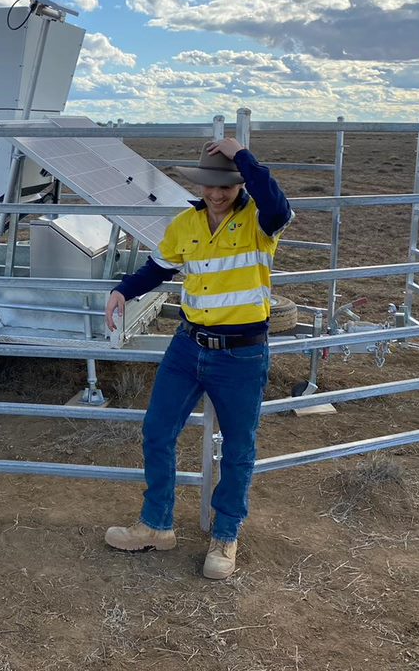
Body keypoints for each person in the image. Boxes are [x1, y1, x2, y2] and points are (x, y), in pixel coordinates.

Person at [103, 137, 292, 579]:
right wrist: (122, 290)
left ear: (240, 183)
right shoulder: (185, 224)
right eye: (210, 185)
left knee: (239, 448)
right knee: (157, 430)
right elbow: (159, 267)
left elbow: (277, 204)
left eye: (227, 185)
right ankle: (156, 525)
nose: (217, 193)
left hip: (241, 353)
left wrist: (241, 152)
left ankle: (226, 536)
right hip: (188, 346)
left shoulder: (261, 222)